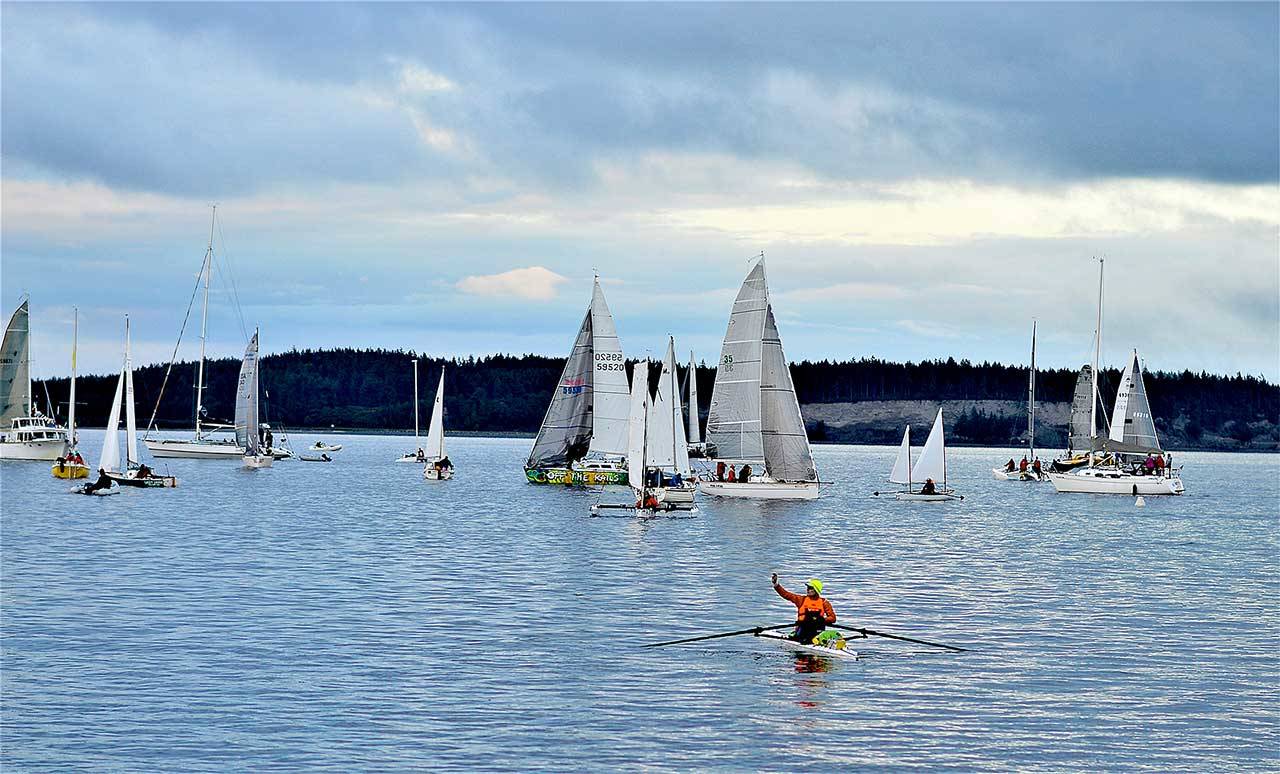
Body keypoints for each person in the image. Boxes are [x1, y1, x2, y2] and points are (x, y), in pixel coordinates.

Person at [772, 574, 836, 643]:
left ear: (816, 590)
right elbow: (786, 595)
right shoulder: (801, 600)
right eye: (808, 587)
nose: (808, 589)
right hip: (802, 631)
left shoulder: (824, 602)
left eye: (810, 588)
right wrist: (776, 585)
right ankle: (797, 637)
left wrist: (821, 620)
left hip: (818, 632)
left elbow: (833, 618)